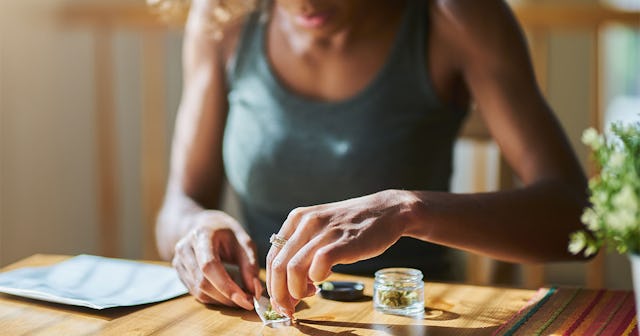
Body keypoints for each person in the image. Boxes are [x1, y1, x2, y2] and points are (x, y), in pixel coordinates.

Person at [155, 0, 589, 317]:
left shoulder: (454, 15)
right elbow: (180, 203)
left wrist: (407, 210)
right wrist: (195, 229)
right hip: (273, 321)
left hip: (421, 317)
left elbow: (576, 216)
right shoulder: (222, 17)